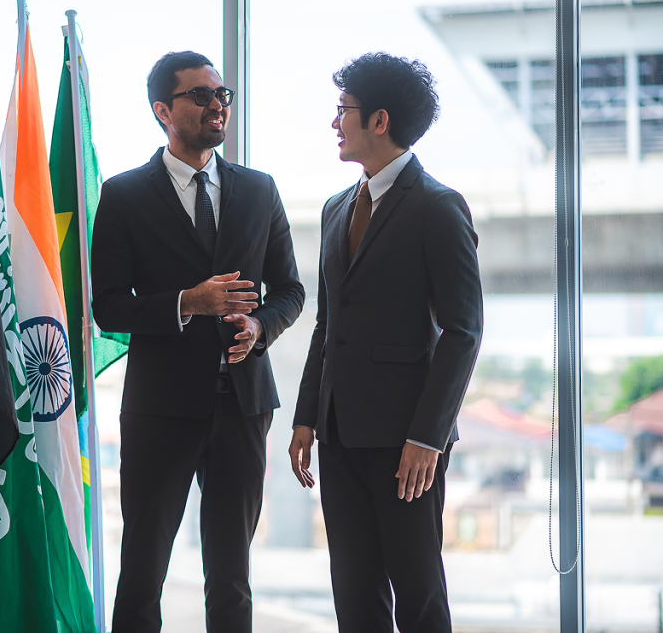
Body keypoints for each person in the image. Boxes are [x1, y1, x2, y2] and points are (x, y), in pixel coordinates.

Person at [91, 50, 305, 633]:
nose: (218, 105)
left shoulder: (259, 190)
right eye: (202, 95)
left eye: (222, 94)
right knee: (142, 571)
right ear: (163, 110)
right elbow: (107, 308)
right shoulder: (123, 194)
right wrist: (190, 302)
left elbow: (290, 290)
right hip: (159, 409)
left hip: (244, 405)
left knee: (232, 577)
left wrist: (260, 326)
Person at [288, 52, 483, 632]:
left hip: (406, 444)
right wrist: (306, 417)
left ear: (379, 120)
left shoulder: (438, 207)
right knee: (354, 597)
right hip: (338, 433)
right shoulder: (336, 209)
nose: (334, 123)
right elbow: (328, 323)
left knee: (418, 595)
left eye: (342, 110)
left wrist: (427, 437)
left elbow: (464, 331)